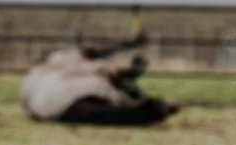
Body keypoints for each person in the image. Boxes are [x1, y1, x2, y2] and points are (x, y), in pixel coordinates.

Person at [21, 35, 180, 125]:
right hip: (68, 100)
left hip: (45, 102)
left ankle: (151, 110)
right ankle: (151, 111)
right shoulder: (85, 67)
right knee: (110, 114)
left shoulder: (51, 65)